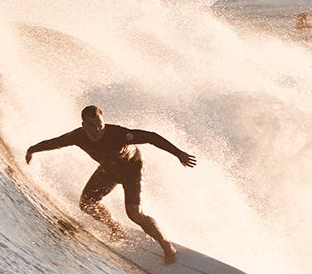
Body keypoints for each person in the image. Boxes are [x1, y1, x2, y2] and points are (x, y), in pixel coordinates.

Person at [24, 105, 197, 263]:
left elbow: (150, 137)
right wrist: (32, 149)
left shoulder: (117, 134)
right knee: (86, 204)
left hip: (132, 169)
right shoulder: (78, 136)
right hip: (109, 171)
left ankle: (166, 245)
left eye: (100, 124)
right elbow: (56, 143)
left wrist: (178, 153)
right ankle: (115, 228)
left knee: (134, 214)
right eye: (92, 126)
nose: (97, 129)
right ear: (83, 125)